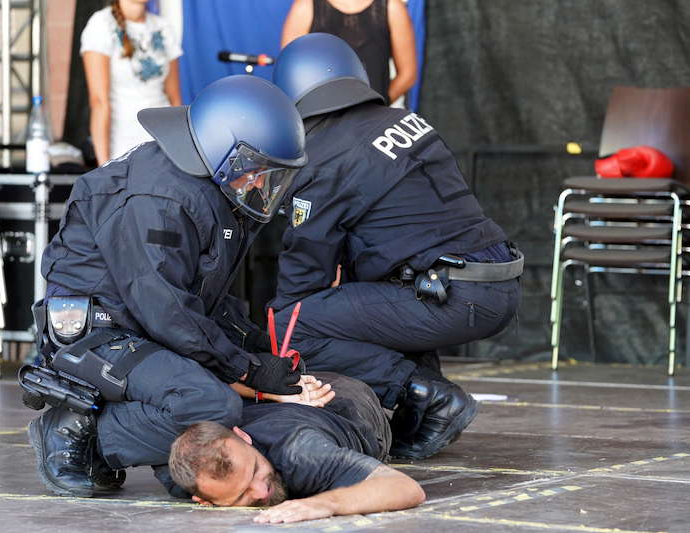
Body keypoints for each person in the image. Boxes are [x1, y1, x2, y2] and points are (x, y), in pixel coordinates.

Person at [23, 75, 309, 499]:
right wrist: (245, 368)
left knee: (236, 391)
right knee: (212, 405)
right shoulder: (161, 197)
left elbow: (196, 291)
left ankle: (171, 461)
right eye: (256, 171)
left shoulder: (206, 187)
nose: (261, 185)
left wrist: (251, 344)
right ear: (220, 146)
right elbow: (166, 308)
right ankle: (79, 429)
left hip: (140, 324)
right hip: (100, 333)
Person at [269, 33, 523, 460]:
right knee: (375, 294)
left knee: (292, 324)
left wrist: (280, 345)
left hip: (449, 294)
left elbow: (305, 270)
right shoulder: (404, 120)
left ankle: (429, 395)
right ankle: (425, 408)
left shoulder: (326, 155)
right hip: (494, 284)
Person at [169, 373, 425, 523]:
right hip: (296, 402)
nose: (260, 491)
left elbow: (406, 488)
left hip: (350, 400)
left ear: (242, 436)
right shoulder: (188, 475)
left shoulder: (301, 453)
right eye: (240, 496)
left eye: (256, 470)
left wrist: (325, 504)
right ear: (204, 501)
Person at [81, 0, 182, 164]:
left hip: (164, 147)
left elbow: (174, 99)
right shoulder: (101, 24)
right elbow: (99, 101)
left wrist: (180, 150)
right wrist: (104, 166)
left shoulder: (163, 26)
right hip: (124, 147)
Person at [281, 0, 416, 105]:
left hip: (375, 120)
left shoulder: (392, 7)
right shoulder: (305, 7)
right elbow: (288, 72)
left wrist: (378, 106)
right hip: (323, 123)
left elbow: (407, 75)